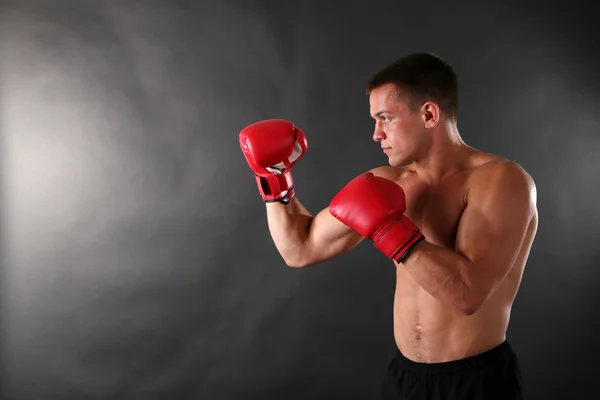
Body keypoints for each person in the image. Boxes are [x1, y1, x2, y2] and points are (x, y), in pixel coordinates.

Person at [239, 52, 538, 399]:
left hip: (474, 382)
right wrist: (274, 182)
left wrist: (387, 230)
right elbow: (300, 249)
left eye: (385, 118)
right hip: (404, 379)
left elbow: (467, 294)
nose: (376, 134)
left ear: (428, 114)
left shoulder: (502, 181)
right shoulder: (386, 184)